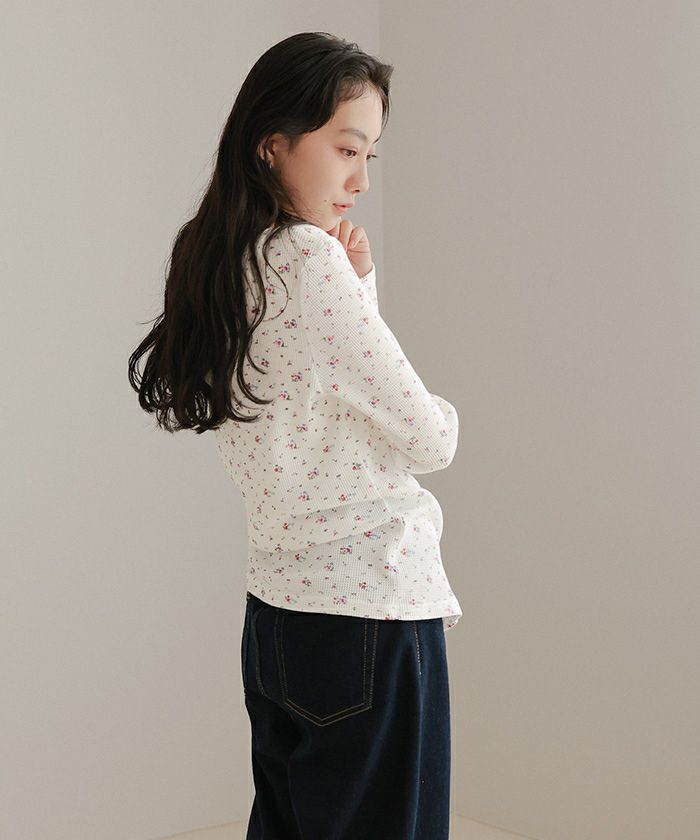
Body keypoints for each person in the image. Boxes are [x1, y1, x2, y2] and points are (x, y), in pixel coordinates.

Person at [128, 30, 461, 840]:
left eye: (370, 156)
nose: (360, 179)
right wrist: (439, 402)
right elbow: (427, 437)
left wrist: (361, 286)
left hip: (279, 616)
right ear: (272, 143)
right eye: (347, 149)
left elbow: (324, 398)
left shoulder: (220, 257)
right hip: (371, 613)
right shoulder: (309, 261)